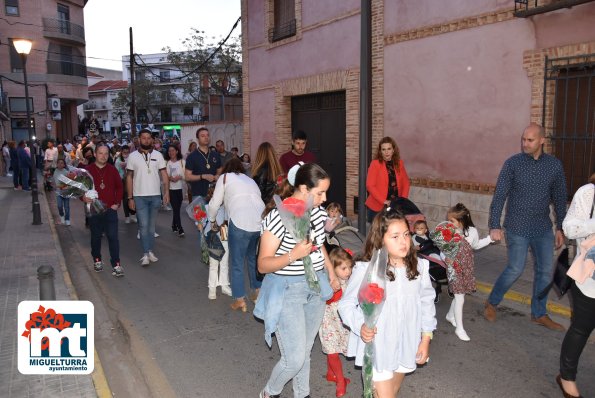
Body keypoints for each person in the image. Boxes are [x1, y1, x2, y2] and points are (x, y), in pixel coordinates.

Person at [255, 162, 339, 398]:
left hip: (315, 286)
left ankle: (302, 394)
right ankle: (269, 393)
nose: (324, 199)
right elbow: (263, 263)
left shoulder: (318, 212)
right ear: (303, 187)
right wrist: (294, 255)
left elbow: (319, 244)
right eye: (319, 193)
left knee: (305, 351)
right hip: (288, 290)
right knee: (294, 358)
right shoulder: (277, 218)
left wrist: (331, 272)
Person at [338, 210, 436, 398]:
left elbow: (426, 303)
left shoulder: (420, 267)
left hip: (406, 343)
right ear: (381, 239)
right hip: (378, 347)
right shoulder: (367, 269)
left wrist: (425, 339)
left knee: (393, 391)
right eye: (395, 236)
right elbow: (346, 304)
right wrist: (361, 325)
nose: (403, 241)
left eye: (406, 234)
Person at [485, 123, 567, 331]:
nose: (525, 143)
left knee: (546, 271)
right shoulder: (512, 163)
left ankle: (538, 313)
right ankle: (492, 302)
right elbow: (500, 195)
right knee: (515, 269)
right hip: (516, 226)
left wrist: (561, 228)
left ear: (542, 141)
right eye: (523, 139)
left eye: (530, 140)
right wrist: (495, 225)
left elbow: (559, 198)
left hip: (542, 228)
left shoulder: (554, 166)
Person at [207, 157, 265, 311]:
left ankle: (239, 299)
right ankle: (257, 293)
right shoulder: (249, 180)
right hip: (259, 222)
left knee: (237, 262)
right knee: (253, 258)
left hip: (240, 221)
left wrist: (212, 220)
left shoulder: (224, 178)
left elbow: (214, 203)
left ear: (226, 168)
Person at [557, 174, 595, 398]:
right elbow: (569, 229)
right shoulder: (588, 192)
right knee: (581, 328)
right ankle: (566, 377)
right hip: (589, 278)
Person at [444, 203, 493, 341]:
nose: (449, 223)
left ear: (462, 221)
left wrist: (489, 239)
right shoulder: (448, 233)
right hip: (454, 268)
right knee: (460, 297)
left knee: (461, 293)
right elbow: (443, 251)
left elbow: (476, 245)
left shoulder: (472, 231)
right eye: (448, 220)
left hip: (467, 267)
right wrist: (445, 258)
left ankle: (450, 315)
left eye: (452, 221)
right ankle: (459, 329)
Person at [126, 128, 170, 266]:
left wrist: (166, 192)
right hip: (139, 196)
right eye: (143, 138)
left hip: (155, 196)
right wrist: (130, 197)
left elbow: (164, 174)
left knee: (151, 227)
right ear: (139, 139)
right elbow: (129, 177)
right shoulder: (132, 156)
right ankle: (145, 253)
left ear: (152, 139)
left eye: (148, 138)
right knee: (143, 226)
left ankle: (150, 250)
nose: (146, 140)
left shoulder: (158, 155)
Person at [84, 145, 124, 277]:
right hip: (94, 210)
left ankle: (116, 264)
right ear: (95, 154)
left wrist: (117, 203)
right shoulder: (87, 170)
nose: (103, 156)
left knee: (113, 237)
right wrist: (83, 197)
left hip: (110, 210)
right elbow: (81, 189)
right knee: (96, 237)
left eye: (106, 153)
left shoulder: (112, 170)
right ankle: (97, 260)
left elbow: (119, 187)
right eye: (100, 153)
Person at [319, 247, 353, 398]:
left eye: (350, 267)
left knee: (332, 348)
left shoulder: (348, 280)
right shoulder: (329, 281)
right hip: (329, 321)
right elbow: (327, 299)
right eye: (344, 268)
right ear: (332, 267)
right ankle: (340, 381)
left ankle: (330, 373)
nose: (348, 271)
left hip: (341, 323)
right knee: (332, 350)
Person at [365, 137, 410, 222]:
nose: (386, 152)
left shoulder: (399, 163)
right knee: (378, 234)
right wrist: (384, 201)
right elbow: (370, 185)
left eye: (389, 149)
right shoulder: (375, 164)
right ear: (380, 151)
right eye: (383, 149)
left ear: (393, 150)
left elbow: (406, 183)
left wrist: (403, 200)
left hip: (395, 207)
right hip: (378, 207)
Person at [204, 194, 232, 300]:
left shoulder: (226, 207)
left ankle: (224, 285)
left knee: (224, 263)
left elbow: (227, 221)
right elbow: (201, 222)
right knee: (214, 264)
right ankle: (212, 288)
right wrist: (199, 223)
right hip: (212, 237)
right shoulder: (207, 207)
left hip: (224, 232)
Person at [185, 127, 222, 202]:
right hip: (198, 195)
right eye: (203, 136)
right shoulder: (192, 156)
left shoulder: (215, 155)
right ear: (197, 139)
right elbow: (187, 177)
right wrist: (203, 176)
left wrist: (217, 176)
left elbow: (220, 170)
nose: (206, 137)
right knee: (201, 214)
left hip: (215, 194)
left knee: (215, 214)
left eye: (207, 135)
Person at [166, 144, 185, 237]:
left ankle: (174, 225)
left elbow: (186, 174)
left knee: (177, 209)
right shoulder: (167, 163)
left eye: (173, 150)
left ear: (177, 151)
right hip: (171, 189)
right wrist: (170, 178)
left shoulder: (182, 162)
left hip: (180, 189)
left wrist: (180, 177)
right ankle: (180, 228)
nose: (171, 152)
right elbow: (164, 176)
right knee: (176, 209)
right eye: (169, 151)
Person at [114, 145, 136, 224]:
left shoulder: (131, 159)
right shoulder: (118, 160)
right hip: (123, 181)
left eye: (127, 152)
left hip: (132, 180)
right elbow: (116, 172)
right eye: (124, 152)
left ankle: (133, 215)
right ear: (121, 152)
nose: (126, 154)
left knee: (132, 197)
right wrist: (123, 170)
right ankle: (127, 216)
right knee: (125, 199)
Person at [52, 158, 71, 226]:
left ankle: (67, 219)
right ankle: (61, 216)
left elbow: (69, 182)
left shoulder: (66, 172)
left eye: (62, 163)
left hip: (66, 192)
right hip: (58, 192)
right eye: (59, 163)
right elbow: (54, 180)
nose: (60, 164)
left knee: (66, 207)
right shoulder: (55, 171)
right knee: (59, 206)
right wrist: (53, 185)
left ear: (64, 164)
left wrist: (65, 186)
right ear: (57, 164)